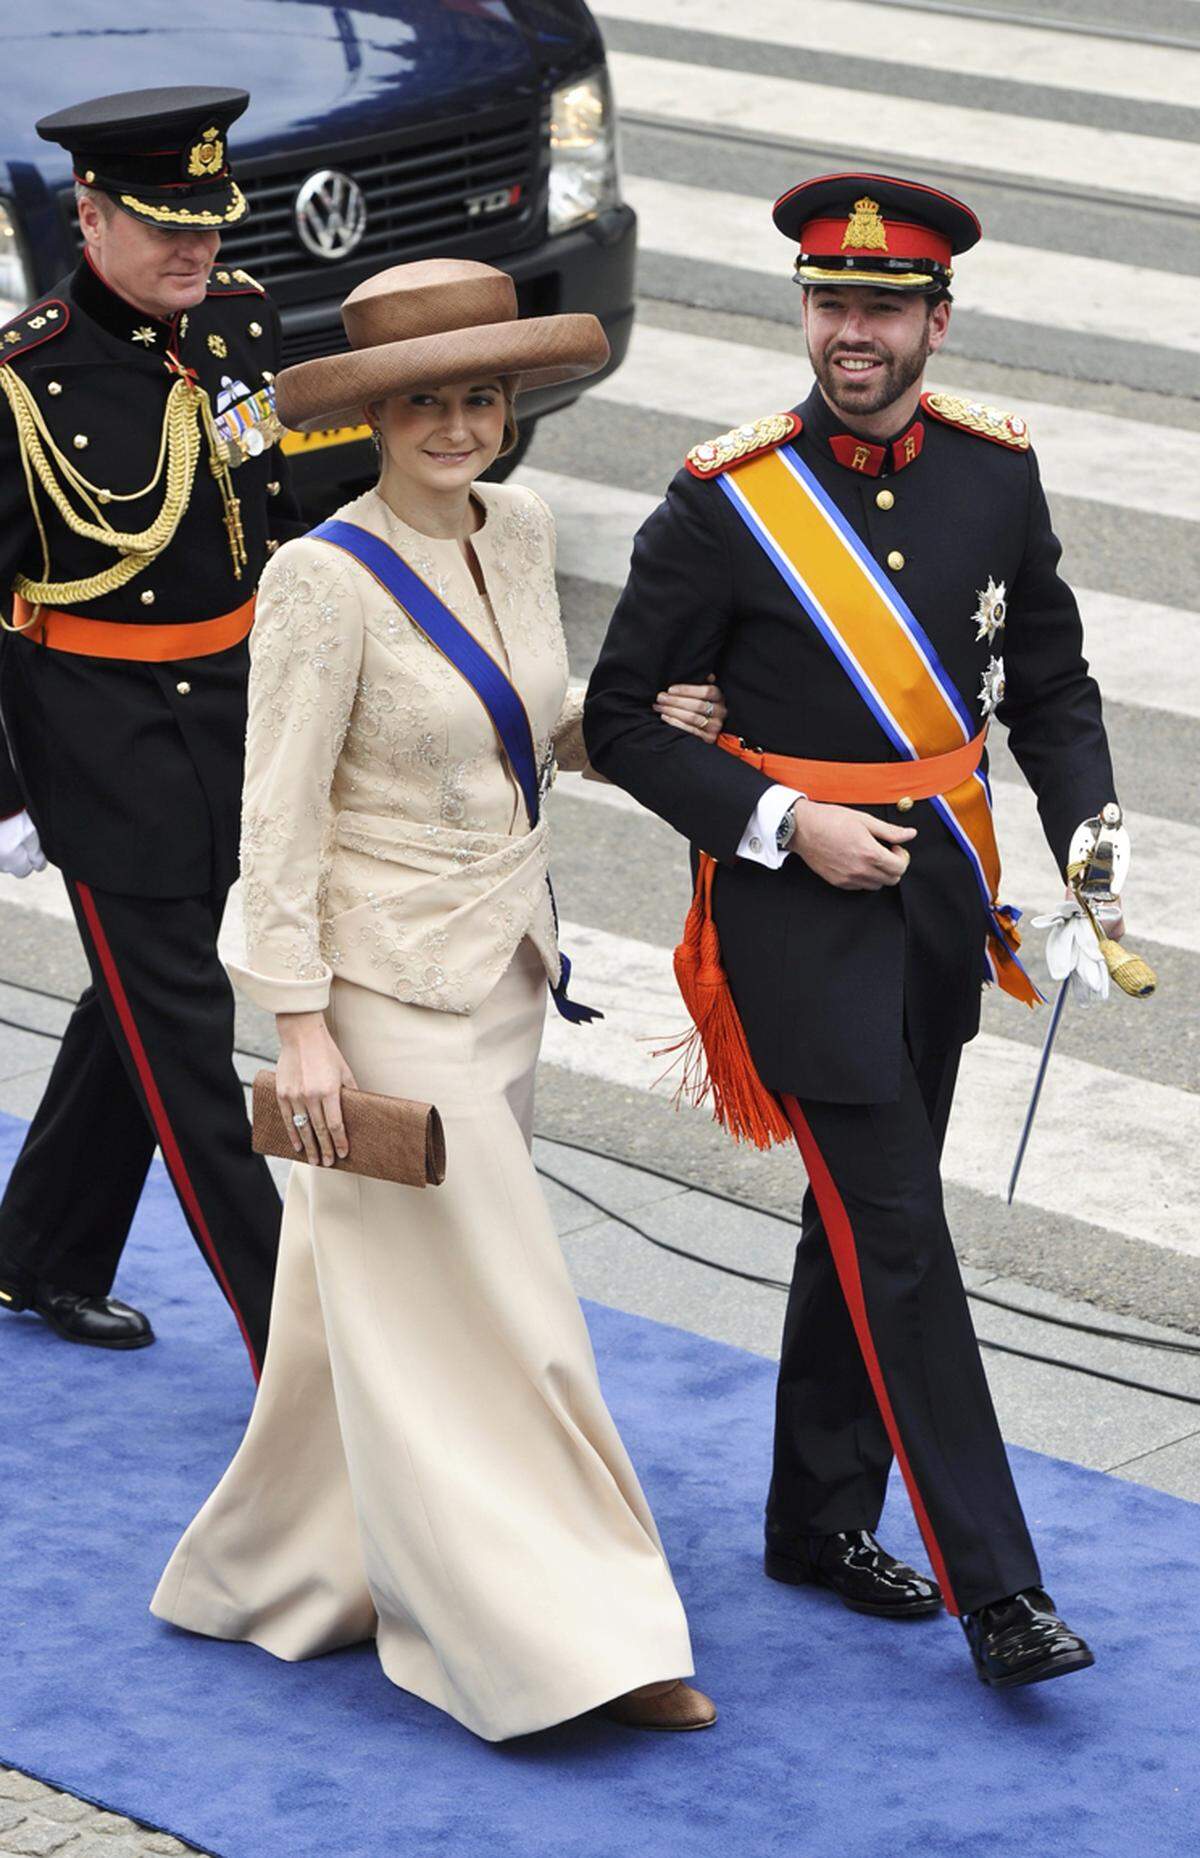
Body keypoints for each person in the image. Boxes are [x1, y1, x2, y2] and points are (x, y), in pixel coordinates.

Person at [151, 259, 722, 1740]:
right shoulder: (317, 580)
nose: (461, 426)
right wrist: (296, 1022)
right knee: (504, 1315)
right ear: (376, 417)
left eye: (482, 397)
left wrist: (625, 728)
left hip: (510, 970)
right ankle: (567, 1637)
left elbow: (518, 728)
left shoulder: (520, 530)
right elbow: (272, 820)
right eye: (427, 403)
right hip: (381, 994)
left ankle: (279, 1566)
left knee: (376, 1313)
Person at [584, 173, 1124, 1691]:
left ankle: (816, 1522)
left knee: (855, 1218)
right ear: (805, 310)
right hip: (791, 915)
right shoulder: (725, 497)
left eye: (884, 308)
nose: (852, 333)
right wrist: (778, 823)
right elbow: (626, 719)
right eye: (831, 303)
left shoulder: (994, 476)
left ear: (937, 319)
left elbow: (1055, 686)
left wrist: (1088, 843)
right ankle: (1001, 1589)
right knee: (901, 1234)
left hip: (943, 901)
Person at [0, 87, 300, 1374]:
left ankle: (39, 1250)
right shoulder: (24, 378)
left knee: (140, 1001)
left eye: (208, 222)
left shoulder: (236, 323)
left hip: (238, 719)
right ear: (90, 216)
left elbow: (272, 522)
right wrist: (9, 796)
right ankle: (309, 1352)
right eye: (164, 225)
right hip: (100, 744)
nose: (196, 251)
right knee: (189, 1046)